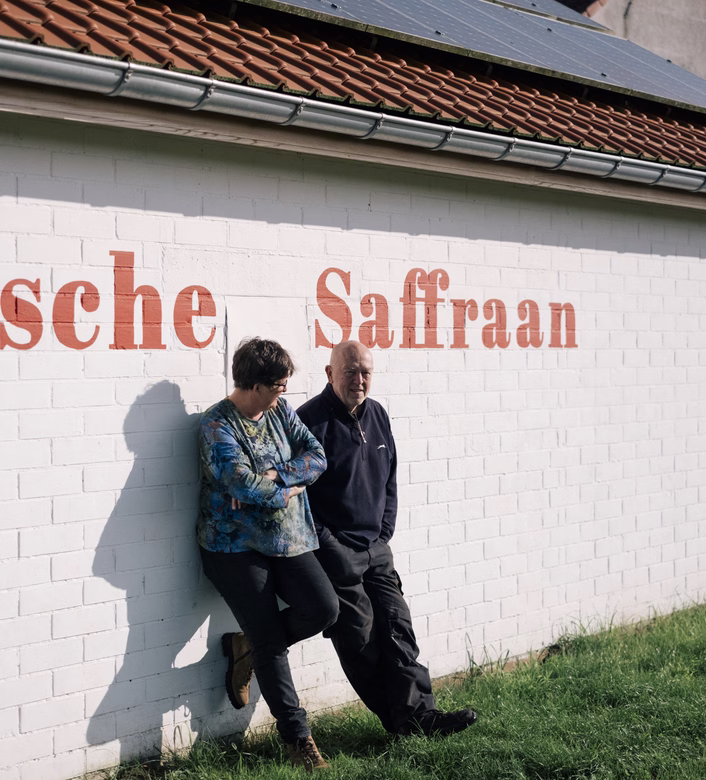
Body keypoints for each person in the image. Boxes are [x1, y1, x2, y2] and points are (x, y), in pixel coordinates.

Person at [297, 340, 477, 738]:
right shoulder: (308, 422)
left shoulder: (377, 414)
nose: (359, 380)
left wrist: (384, 531)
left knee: (399, 628)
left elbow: (389, 475)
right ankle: (402, 721)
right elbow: (298, 499)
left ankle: (420, 716)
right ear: (330, 373)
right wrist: (330, 545)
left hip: (376, 548)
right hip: (337, 552)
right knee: (360, 640)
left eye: (366, 372)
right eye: (350, 371)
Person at [197, 337, 338, 770]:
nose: (283, 392)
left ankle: (248, 646)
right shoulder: (217, 426)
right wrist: (289, 491)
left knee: (324, 608)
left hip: (287, 539)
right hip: (233, 546)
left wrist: (278, 476)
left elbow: (318, 456)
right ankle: (298, 741)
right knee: (271, 642)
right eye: (278, 385)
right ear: (255, 385)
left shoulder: (280, 411)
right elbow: (241, 485)